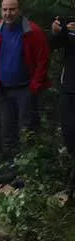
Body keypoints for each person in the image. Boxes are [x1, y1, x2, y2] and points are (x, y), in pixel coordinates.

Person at [0, 0, 50, 173]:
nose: (8, 14)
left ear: (19, 10)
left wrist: (34, 87)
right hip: (4, 89)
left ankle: (29, 172)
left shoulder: (32, 31)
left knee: (27, 130)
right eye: (5, 10)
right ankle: (11, 170)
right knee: (7, 131)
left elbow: (42, 61)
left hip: (25, 89)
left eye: (12, 10)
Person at [51, 12, 75, 202]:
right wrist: (56, 32)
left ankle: (70, 188)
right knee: (69, 135)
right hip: (68, 88)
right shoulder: (68, 21)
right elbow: (53, 45)